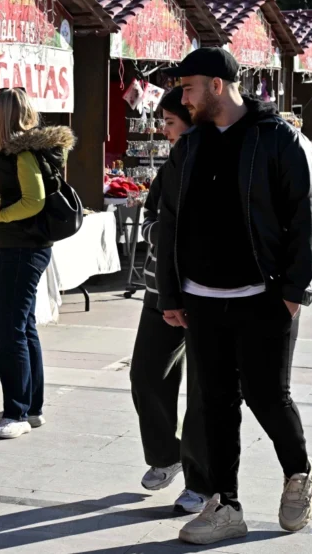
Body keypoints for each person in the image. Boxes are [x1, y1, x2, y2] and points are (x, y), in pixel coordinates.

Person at [157, 48, 312, 545]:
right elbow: (170, 221)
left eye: (189, 88)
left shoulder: (276, 138)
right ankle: (224, 504)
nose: (183, 97)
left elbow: (302, 216)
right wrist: (171, 292)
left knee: (268, 396)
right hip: (202, 298)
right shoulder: (191, 145)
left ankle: (299, 474)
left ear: (218, 86)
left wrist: (293, 292)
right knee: (214, 402)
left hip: (263, 295)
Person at [0, 88, 74, 440]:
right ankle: (30, 407)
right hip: (22, 247)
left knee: (10, 328)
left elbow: (32, 202)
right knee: (23, 326)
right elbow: (24, 199)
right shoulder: (26, 151)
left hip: (21, 249)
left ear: (1, 117)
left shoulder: (20, 153)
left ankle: (17, 411)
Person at [129, 87, 209, 514]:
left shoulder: (216, 159)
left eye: (170, 122)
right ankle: (166, 454)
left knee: (203, 392)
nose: (163, 129)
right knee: (146, 376)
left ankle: (201, 483)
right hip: (160, 291)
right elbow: (152, 218)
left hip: (205, 295)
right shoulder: (172, 164)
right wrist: (164, 232)